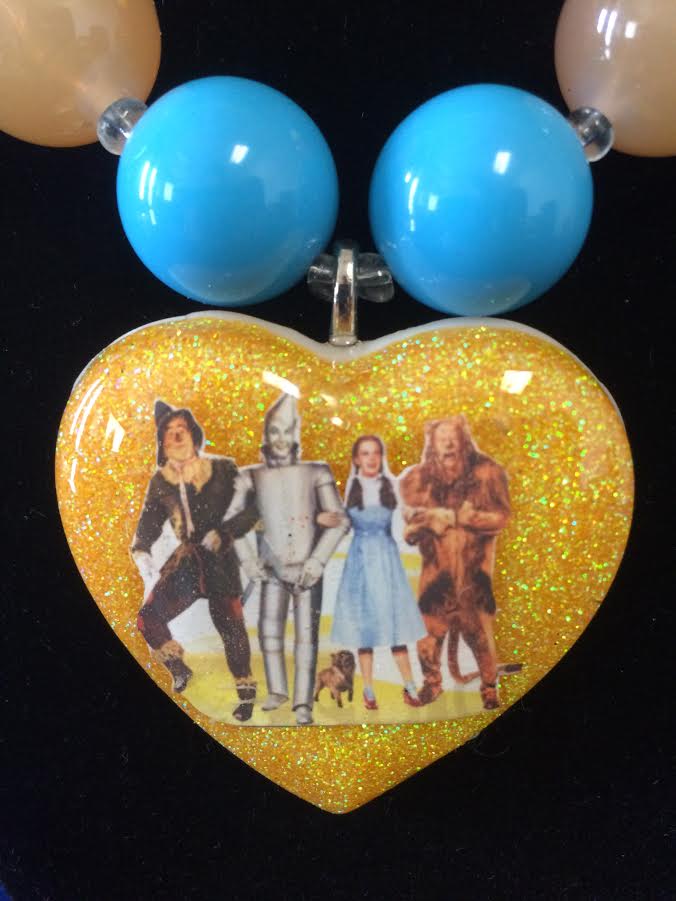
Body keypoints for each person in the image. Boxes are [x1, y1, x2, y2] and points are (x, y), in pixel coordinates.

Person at [132, 400, 259, 721]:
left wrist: (226, 533)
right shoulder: (161, 481)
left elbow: (253, 508)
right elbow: (148, 523)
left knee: (230, 626)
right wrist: (141, 550)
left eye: (182, 429)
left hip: (220, 558)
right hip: (187, 560)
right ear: (162, 441)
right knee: (148, 617)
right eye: (169, 431)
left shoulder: (223, 469)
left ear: (194, 435)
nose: (177, 436)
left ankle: (246, 695)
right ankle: (179, 668)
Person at [229, 392, 349, 725]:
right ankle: (277, 690)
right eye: (274, 431)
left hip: (308, 568)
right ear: (266, 435)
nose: (280, 439)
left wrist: (318, 561)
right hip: (271, 567)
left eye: (287, 431)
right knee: (269, 631)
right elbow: (232, 522)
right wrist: (248, 561)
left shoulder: (317, 471)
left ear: (296, 433)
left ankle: (303, 704)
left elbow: (340, 520)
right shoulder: (250, 475)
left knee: (306, 637)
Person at [400, 415, 511, 709]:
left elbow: (501, 517)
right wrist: (430, 519)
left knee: (479, 636)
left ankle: (489, 687)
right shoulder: (420, 479)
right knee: (427, 633)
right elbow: (409, 523)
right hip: (436, 574)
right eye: (441, 438)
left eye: (453, 437)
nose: (448, 444)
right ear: (432, 444)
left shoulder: (486, 472)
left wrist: (470, 518)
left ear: (464, 441)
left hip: (474, 573)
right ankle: (432, 684)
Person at [327, 435, 426, 710]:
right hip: (360, 563)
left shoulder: (391, 485)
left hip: (386, 561)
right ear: (356, 459)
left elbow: (406, 517)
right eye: (365, 453)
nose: (371, 459)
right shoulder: (351, 486)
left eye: (375, 453)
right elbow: (342, 523)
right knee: (365, 631)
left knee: (395, 629)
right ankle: (369, 690)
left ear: (381, 457)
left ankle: (410, 686)